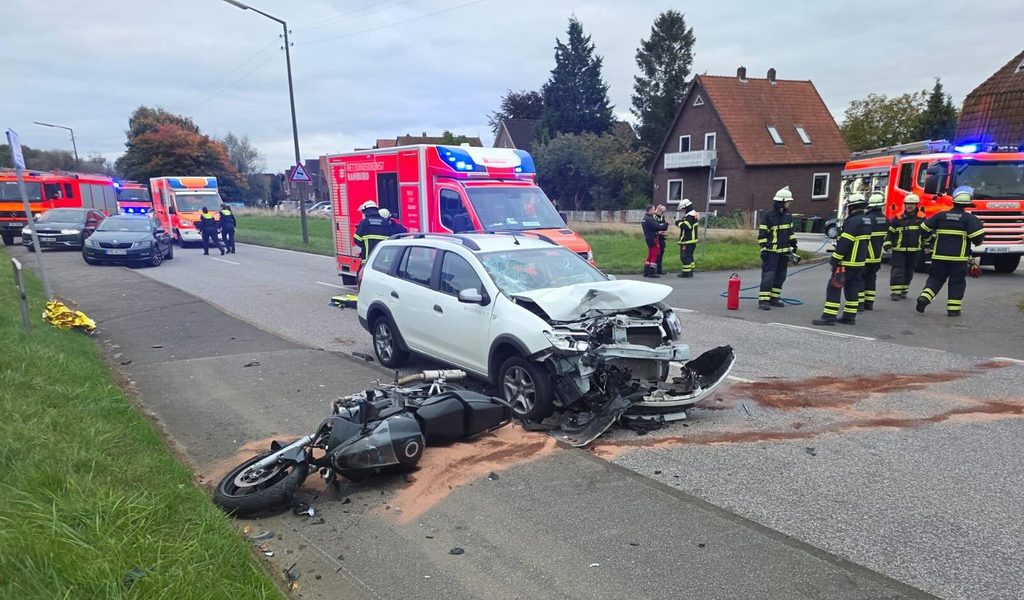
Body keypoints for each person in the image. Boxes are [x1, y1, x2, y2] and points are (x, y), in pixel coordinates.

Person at [917, 186, 985, 316]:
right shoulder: (969, 219)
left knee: (935, 279)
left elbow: (923, 229)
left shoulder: (940, 216)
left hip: (939, 257)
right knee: (957, 283)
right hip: (958, 260)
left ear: (953, 202)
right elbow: (978, 238)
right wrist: (976, 241)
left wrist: (930, 239)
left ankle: (924, 298)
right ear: (968, 204)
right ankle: (953, 310)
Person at [813, 194, 871, 326]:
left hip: (847, 262)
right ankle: (849, 317)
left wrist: (834, 260)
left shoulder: (853, 222)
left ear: (851, 207)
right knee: (852, 289)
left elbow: (845, 243)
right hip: (859, 263)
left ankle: (829, 317)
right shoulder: (867, 221)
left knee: (834, 287)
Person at [757, 187, 798, 309]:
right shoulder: (768, 216)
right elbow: (762, 235)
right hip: (771, 252)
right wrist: (764, 248)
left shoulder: (787, 215)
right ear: (782, 201)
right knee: (768, 276)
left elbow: (789, 231)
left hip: (784, 252)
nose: (789, 204)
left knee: (780, 276)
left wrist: (793, 243)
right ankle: (763, 300)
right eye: (788, 202)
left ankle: (774, 298)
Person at [886, 194, 924, 300]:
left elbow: (927, 233)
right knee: (898, 270)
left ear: (917, 205)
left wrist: (928, 245)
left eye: (912, 204)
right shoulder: (898, 218)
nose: (910, 206)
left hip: (914, 250)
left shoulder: (922, 218)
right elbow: (889, 232)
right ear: (905, 205)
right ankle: (895, 292)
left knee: (909, 271)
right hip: (899, 250)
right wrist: (887, 244)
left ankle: (904, 290)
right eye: (908, 204)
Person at [859, 192, 889, 311]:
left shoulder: (867, 219)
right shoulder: (885, 220)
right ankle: (869, 303)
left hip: (865, 255)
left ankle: (860, 303)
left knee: (860, 279)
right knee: (871, 278)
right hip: (877, 256)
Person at [675, 199, 699, 278]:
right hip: (691, 240)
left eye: (683, 208)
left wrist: (677, 222)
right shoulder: (693, 214)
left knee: (685, 257)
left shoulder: (690, 215)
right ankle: (690, 271)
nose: (683, 210)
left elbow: (687, 226)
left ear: (687, 207)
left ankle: (686, 273)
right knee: (690, 256)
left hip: (687, 240)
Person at [641, 205, 667, 278]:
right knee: (655, 254)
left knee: (650, 254)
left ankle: (646, 271)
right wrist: (666, 224)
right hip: (653, 239)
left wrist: (657, 232)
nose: (654, 211)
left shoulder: (644, 219)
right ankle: (652, 272)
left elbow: (651, 229)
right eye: (653, 210)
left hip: (648, 238)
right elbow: (658, 227)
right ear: (649, 210)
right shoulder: (650, 219)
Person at [654, 204, 668, 274]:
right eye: (662, 211)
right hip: (656, 237)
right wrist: (660, 228)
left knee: (661, 254)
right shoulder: (654, 216)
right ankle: (653, 269)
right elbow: (654, 226)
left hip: (662, 237)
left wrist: (663, 228)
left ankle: (659, 270)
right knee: (656, 254)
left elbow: (664, 226)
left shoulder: (662, 217)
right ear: (659, 210)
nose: (663, 213)